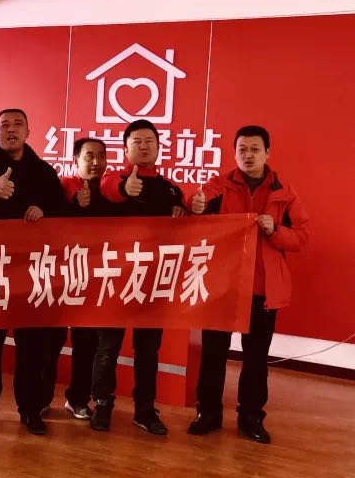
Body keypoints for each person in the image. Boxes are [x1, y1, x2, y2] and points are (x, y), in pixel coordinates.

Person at [187, 125, 309, 444]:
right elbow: (195, 213)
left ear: (267, 153)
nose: (248, 155)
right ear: (234, 152)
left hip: (263, 288)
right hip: (222, 285)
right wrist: (194, 206)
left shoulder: (284, 192)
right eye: (242, 149)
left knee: (256, 358)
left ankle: (251, 416)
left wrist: (275, 230)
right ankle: (208, 413)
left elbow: (301, 236)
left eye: (255, 149)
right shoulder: (219, 186)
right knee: (213, 354)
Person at [0, 108, 67, 435]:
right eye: (4, 125)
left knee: (31, 345)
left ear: (28, 131)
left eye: (17, 125)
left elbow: (60, 210)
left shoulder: (44, 171)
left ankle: (30, 409)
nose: (11, 130)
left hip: (31, 270)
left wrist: (44, 210)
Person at [90, 119, 186, 435]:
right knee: (107, 349)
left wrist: (184, 211)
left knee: (148, 351)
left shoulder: (171, 190)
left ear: (158, 147)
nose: (143, 147)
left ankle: (144, 410)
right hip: (114, 280)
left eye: (149, 141)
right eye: (137, 141)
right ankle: (102, 405)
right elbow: (110, 189)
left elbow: (185, 226)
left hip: (152, 282)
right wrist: (124, 189)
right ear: (126, 148)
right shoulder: (112, 179)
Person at [58, 137, 118, 421]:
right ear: (75, 161)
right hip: (64, 278)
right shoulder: (64, 187)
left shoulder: (112, 191)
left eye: (101, 156)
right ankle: (43, 400)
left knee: (90, 343)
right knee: (56, 342)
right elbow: (54, 210)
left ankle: (81, 398)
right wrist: (73, 202)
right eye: (89, 156)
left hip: (99, 279)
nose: (96, 162)